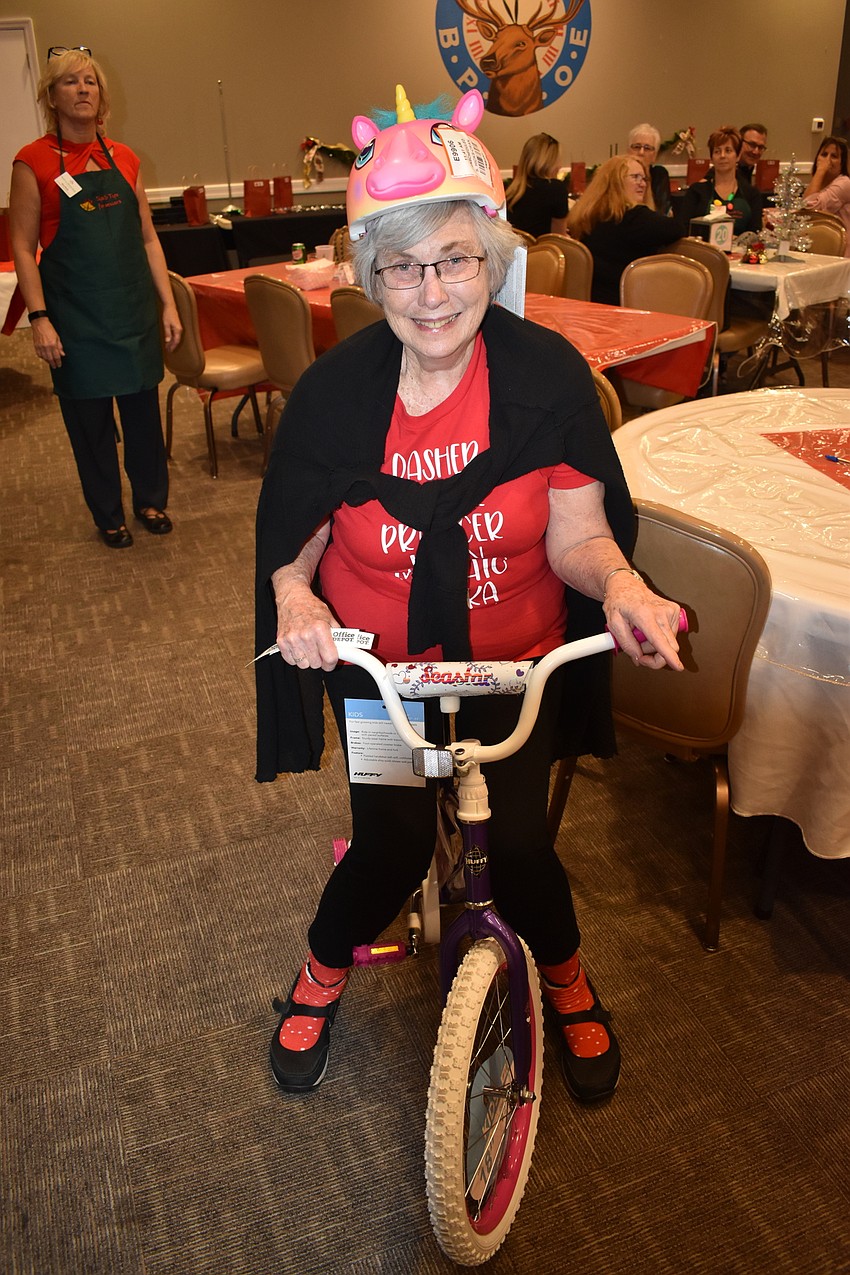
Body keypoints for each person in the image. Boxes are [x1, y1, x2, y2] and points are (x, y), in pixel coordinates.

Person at [255, 84, 683, 1103]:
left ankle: (569, 981)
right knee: (391, 846)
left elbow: (581, 538)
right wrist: (297, 600)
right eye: (401, 266)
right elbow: (295, 542)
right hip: (382, 670)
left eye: (452, 258)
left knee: (525, 846)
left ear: (490, 258)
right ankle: (321, 972)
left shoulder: (545, 380)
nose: (431, 290)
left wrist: (622, 585)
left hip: (512, 662)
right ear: (372, 276)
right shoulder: (334, 396)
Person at [9, 47, 181, 549]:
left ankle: (150, 499)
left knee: (144, 420)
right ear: (52, 96)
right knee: (91, 427)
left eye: (91, 82)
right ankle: (108, 513)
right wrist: (39, 317)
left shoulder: (123, 157)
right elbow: (22, 246)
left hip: (132, 315)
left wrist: (167, 303)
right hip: (75, 321)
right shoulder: (32, 161)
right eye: (70, 82)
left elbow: (148, 237)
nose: (83, 89)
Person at [567, 154, 681, 306]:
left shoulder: (588, 214)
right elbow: (677, 228)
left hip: (588, 303)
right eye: (635, 177)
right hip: (626, 306)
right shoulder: (634, 218)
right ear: (616, 182)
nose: (642, 184)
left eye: (644, 178)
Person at [676, 126, 763, 236]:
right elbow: (684, 230)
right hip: (705, 251)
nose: (722, 156)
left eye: (728, 150)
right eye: (717, 151)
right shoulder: (697, 191)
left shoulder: (752, 194)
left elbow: (755, 234)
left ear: (738, 156)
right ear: (712, 158)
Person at [505, 132, 569, 237]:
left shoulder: (512, 191)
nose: (560, 166)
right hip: (542, 251)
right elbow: (559, 237)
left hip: (516, 251)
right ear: (550, 162)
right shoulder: (556, 189)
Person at [803, 135, 850, 256]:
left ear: (842, 163)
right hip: (819, 249)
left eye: (834, 156)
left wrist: (820, 170)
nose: (827, 160)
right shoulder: (820, 184)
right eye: (824, 154)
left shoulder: (844, 183)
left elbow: (809, 210)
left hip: (841, 254)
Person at [627, 123, 671, 215]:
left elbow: (661, 212)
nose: (641, 152)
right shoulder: (618, 173)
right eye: (636, 147)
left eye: (647, 148)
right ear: (628, 151)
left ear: (655, 155)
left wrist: (647, 177)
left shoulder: (659, 174)